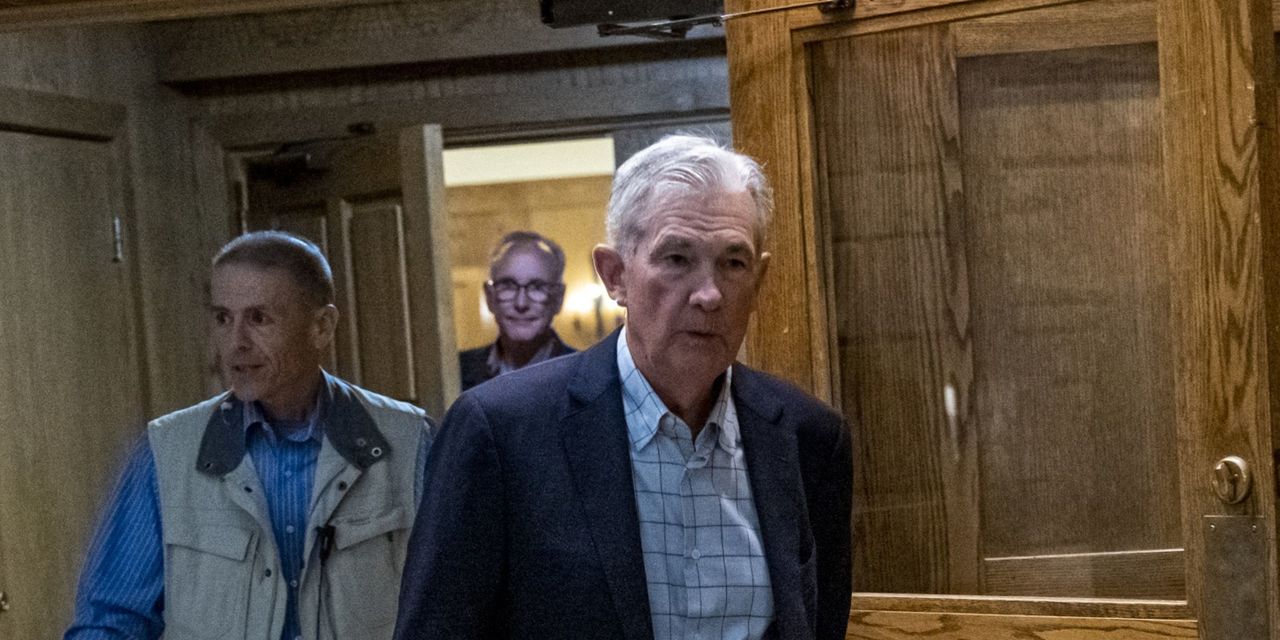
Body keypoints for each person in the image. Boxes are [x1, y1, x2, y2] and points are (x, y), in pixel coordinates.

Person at [394, 135, 853, 640]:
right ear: (615, 276)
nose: (709, 294)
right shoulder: (501, 431)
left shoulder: (809, 439)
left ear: (759, 280)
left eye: (733, 263)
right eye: (677, 258)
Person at [66, 231, 434, 640]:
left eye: (259, 318)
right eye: (223, 319)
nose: (236, 343)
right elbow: (111, 622)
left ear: (322, 327)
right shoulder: (167, 453)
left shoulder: (408, 443)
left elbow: (453, 605)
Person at [458, 231, 575, 390]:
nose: (521, 303)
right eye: (508, 286)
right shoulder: (455, 372)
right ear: (489, 297)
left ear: (558, 299)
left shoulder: (587, 374)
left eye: (537, 287)